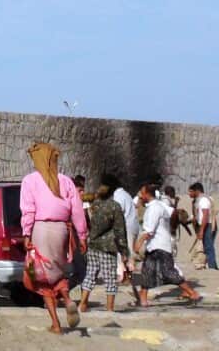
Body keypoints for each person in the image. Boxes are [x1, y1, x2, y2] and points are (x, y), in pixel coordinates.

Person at [20, 141, 88, 335]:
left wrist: (26, 234)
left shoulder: (30, 180)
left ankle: (56, 325)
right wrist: (82, 236)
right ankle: (66, 299)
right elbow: (77, 211)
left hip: (40, 229)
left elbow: (28, 210)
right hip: (62, 231)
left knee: (40, 277)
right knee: (56, 272)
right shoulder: (66, 181)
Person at [136, 183, 203, 307]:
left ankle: (191, 292)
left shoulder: (154, 208)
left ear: (147, 194)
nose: (140, 195)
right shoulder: (159, 205)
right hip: (155, 246)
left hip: (159, 245)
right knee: (147, 272)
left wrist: (138, 243)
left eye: (141, 193)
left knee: (168, 272)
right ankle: (143, 299)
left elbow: (149, 230)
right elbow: (173, 212)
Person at [79, 183, 131, 313]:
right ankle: (109, 308)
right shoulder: (114, 206)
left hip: (93, 244)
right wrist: (124, 251)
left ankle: (82, 304)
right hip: (108, 247)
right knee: (110, 279)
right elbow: (120, 230)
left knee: (90, 275)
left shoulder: (93, 206)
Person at [188, 182, 216, 270]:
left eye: (191, 191)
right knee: (207, 246)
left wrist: (201, 230)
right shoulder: (201, 199)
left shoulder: (203, 200)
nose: (189, 193)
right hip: (207, 225)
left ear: (197, 191)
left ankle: (212, 268)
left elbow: (205, 215)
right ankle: (211, 266)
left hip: (208, 225)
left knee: (208, 247)